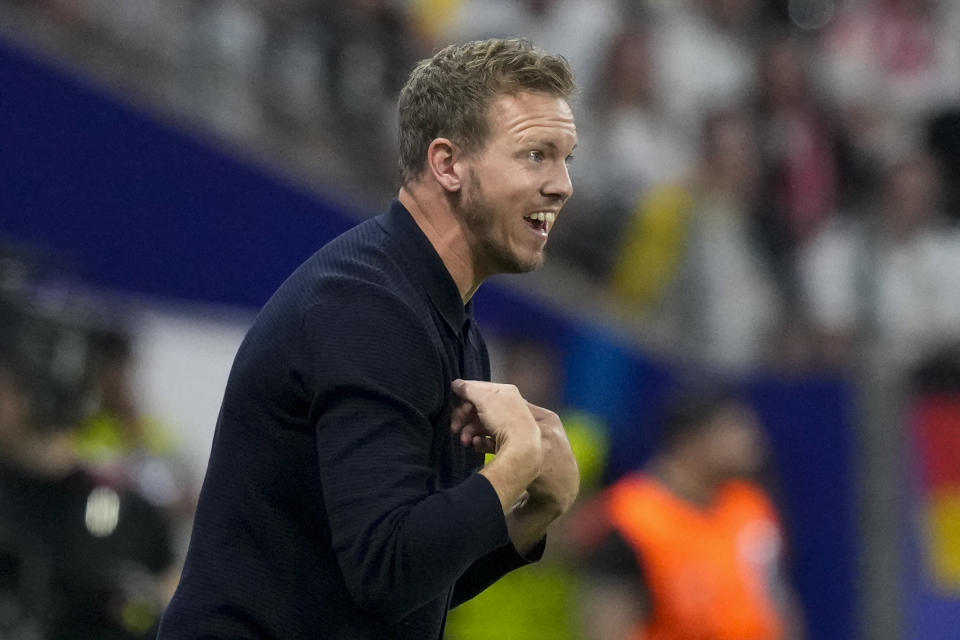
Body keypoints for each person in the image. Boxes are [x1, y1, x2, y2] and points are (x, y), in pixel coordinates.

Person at [157, 38, 580, 640]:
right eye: (536, 155)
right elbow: (387, 571)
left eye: (566, 158)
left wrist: (534, 510)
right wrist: (515, 465)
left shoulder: (444, 317)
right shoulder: (367, 308)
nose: (562, 184)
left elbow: (415, 584)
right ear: (448, 164)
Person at [573, 388, 802, 640]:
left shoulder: (751, 504)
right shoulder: (629, 518)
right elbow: (607, 624)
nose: (752, 441)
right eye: (734, 429)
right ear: (691, 441)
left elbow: (776, 599)